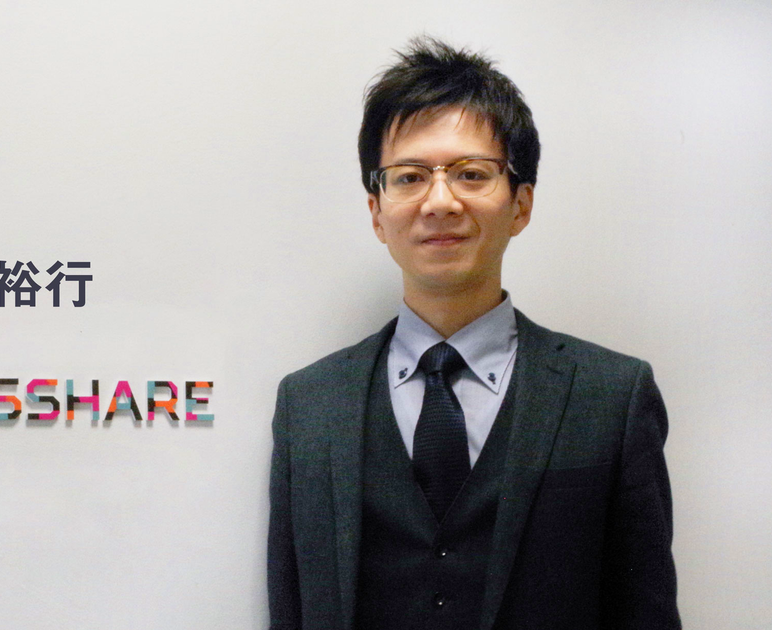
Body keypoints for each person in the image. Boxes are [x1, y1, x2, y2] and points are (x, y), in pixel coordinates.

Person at [266, 37, 679, 630]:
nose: (440, 201)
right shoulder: (308, 404)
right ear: (377, 212)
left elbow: (646, 614)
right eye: (409, 177)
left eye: (470, 174)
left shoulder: (613, 397)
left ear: (521, 205)